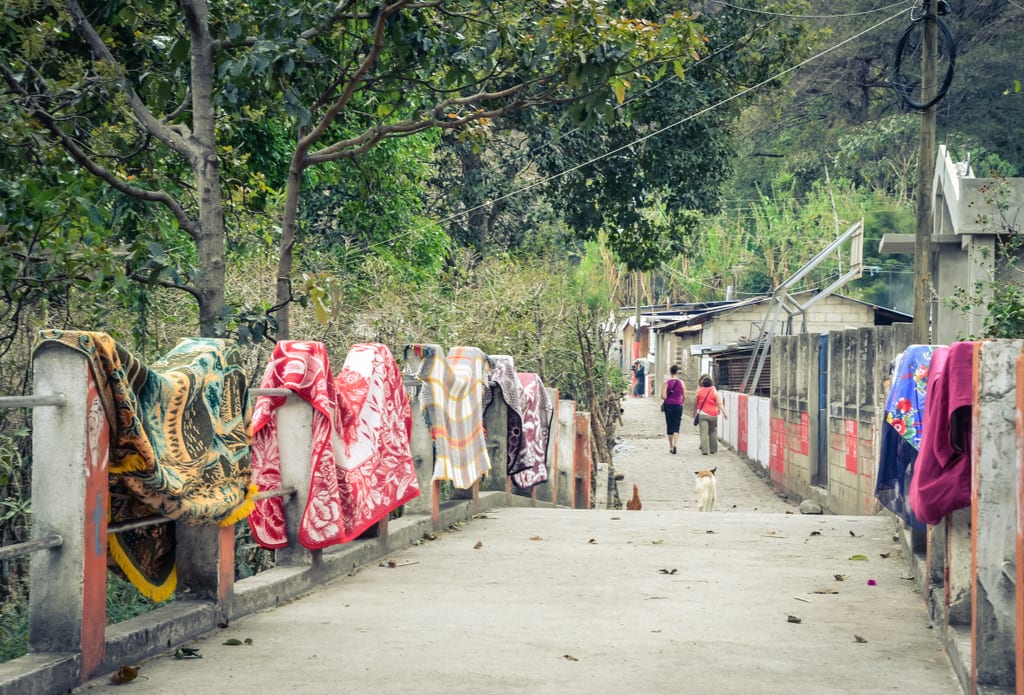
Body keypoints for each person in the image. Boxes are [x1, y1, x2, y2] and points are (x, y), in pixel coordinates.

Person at [694, 374, 727, 455]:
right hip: (713, 415)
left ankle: (704, 450)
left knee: (703, 432)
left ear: (702, 383)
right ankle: (713, 450)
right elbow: (720, 403)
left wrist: (695, 411)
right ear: (711, 383)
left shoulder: (699, 392)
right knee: (712, 432)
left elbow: (695, 403)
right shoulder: (714, 392)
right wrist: (724, 413)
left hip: (703, 414)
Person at [661, 365, 685, 454]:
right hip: (678, 405)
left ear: (670, 372)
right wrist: (681, 402)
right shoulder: (681, 383)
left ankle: (671, 446)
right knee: (676, 425)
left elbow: (663, 396)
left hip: (669, 406)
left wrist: (667, 399)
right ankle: (675, 444)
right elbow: (684, 395)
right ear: (677, 372)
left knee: (669, 425)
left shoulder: (667, 383)